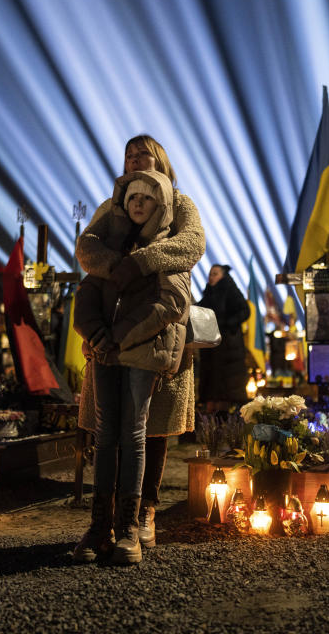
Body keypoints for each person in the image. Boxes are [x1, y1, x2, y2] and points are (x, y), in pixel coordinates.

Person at [75, 135, 206, 555]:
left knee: (151, 429)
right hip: (112, 333)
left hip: (155, 333)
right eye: (129, 155)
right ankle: (108, 521)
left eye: (142, 154)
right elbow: (87, 247)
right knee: (112, 428)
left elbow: (190, 245)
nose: (134, 160)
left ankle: (143, 512)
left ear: (160, 160)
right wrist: (116, 269)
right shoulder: (114, 208)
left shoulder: (179, 204)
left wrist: (142, 263)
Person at [196, 264, 250, 411]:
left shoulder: (230, 289)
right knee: (213, 387)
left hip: (228, 347)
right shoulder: (209, 293)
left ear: (223, 275)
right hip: (213, 347)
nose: (211, 277)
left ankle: (224, 422)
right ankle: (212, 424)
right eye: (210, 274)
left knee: (226, 390)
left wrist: (227, 323)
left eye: (215, 274)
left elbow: (245, 310)